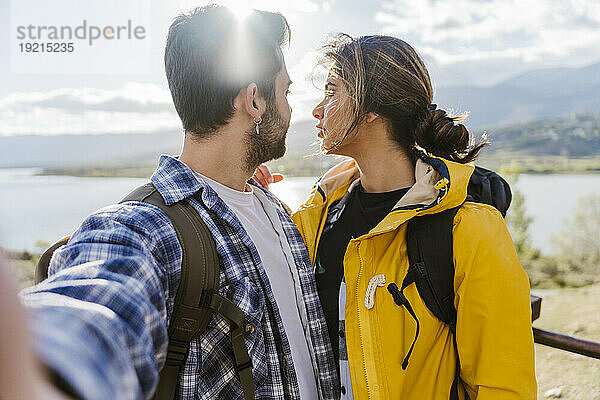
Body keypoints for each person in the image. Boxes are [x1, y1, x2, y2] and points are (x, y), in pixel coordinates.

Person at [7, 5, 339, 400]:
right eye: (284, 91)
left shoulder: (277, 214)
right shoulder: (146, 228)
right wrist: (39, 376)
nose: (289, 107)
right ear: (254, 101)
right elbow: (98, 301)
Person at [255, 34, 537, 399]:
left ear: (371, 108)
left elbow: (503, 386)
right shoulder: (318, 219)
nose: (317, 110)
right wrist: (249, 195)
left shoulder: (469, 228)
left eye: (331, 91)